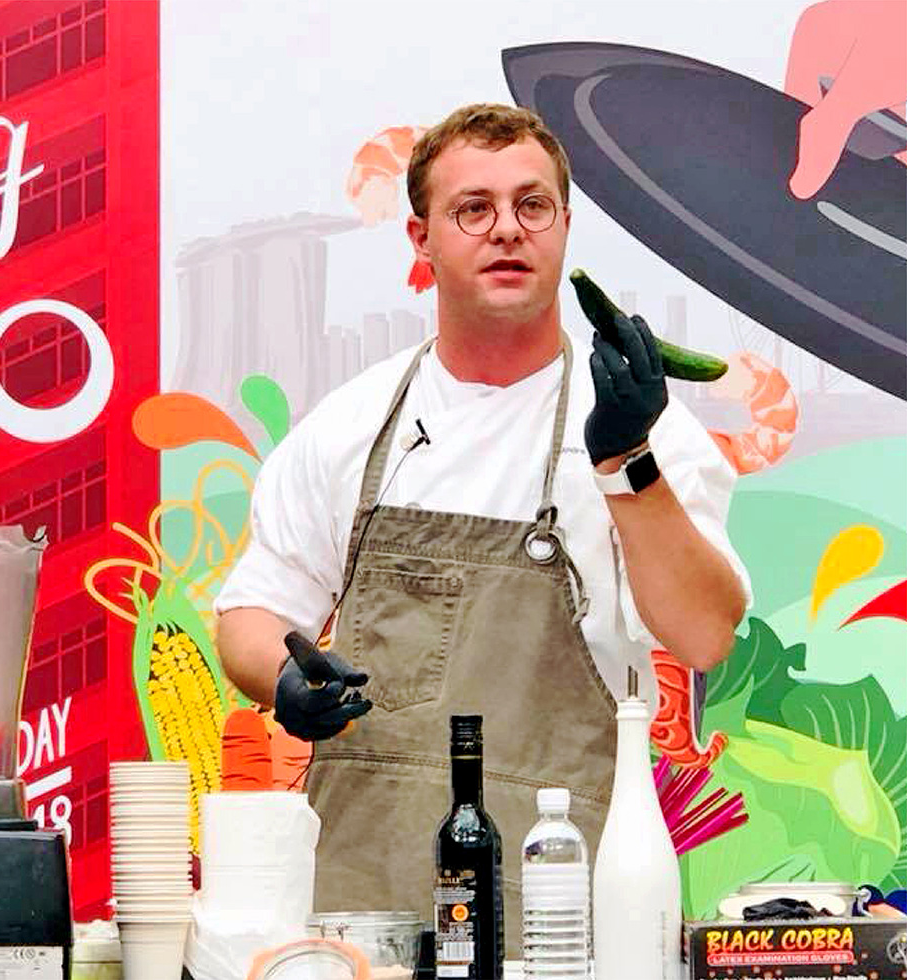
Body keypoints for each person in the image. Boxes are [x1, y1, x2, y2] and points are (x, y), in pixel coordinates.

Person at [213, 103, 751, 952]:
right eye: (474, 209)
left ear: (565, 227)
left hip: (565, 904)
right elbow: (251, 611)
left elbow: (704, 635)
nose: (507, 229)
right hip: (365, 913)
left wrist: (627, 463)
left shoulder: (646, 426)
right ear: (421, 240)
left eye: (532, 205)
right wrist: (283, 678)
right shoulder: (350, 425)